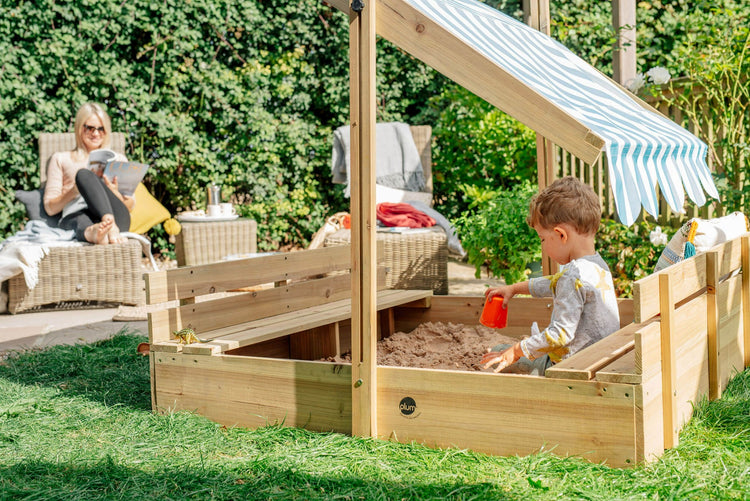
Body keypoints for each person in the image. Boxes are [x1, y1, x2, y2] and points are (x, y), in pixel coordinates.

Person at [480, 176, 620, 375]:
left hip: (571, 368)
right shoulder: (596, 266)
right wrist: (514, 289)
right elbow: (554, 282)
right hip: (600, 360)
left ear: (561, 234)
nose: (542, 246)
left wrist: (518, 350)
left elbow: (560, 335)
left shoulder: (573, 277)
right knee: (513, 350)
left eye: (543, 239)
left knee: (500, 353)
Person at [43, 103, 134, 244]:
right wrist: (74, 191)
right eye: (90, 128)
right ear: (79, 129)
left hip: (116, 218)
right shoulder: (61, 158)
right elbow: (50, 208)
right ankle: (94, 232)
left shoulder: (118, 160)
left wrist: (114, 192)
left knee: (86, 176)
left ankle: (109, 224)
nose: (96, 134)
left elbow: (130, 206)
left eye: (101, 129)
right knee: (84, 175)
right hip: (77, 214)